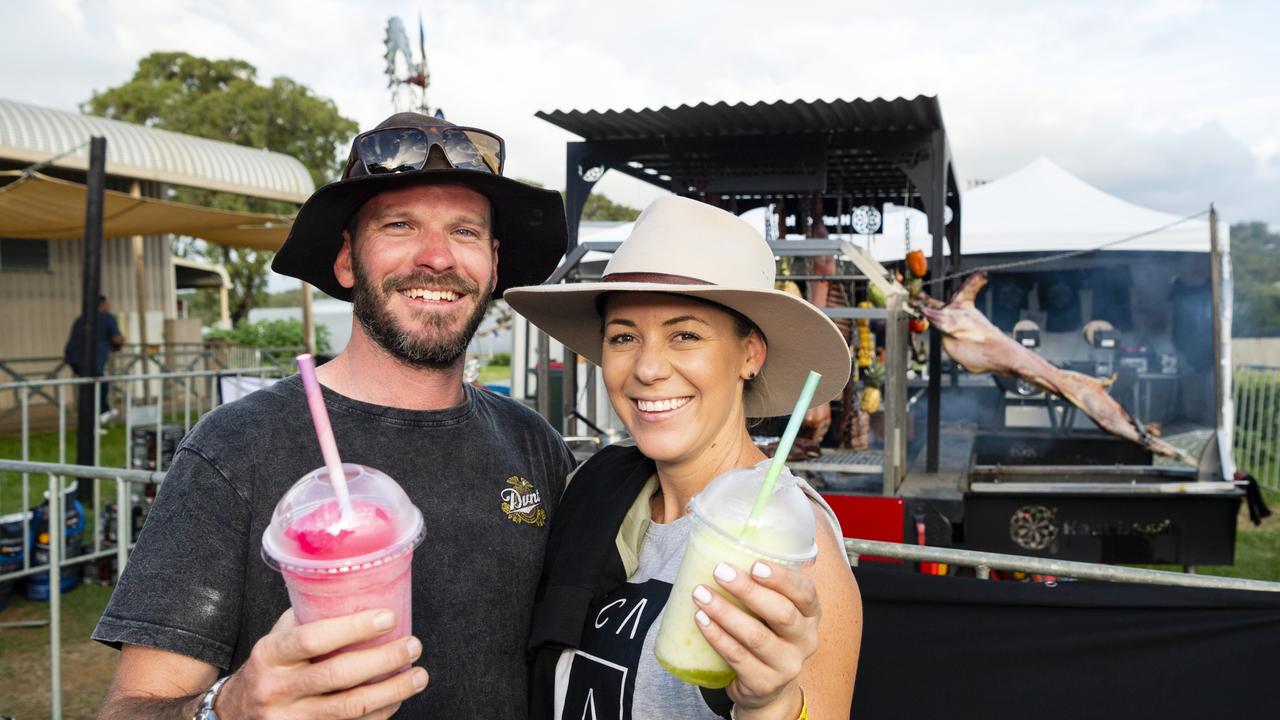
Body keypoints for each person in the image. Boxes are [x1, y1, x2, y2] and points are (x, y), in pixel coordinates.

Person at [93, 113, 575, 719]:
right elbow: (131, 708)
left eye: (465, 231)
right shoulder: (236, 448)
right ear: (347, 261)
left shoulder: (534, 446)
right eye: (400, 226)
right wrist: (230, 708)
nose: (437, 257)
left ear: (494, 263)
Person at [506, 197, 863, 720]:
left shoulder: (795, 545)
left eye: (686, 335)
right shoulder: (592, 490)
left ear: (749, 354)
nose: (648, 368)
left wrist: (773, 704)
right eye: (624, 336)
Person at [63, 294, 125, 422]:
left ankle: (92, 419)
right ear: (102, 305)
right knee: (99, 384)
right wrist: (122, 340)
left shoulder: (81, 318)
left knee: (89, 386)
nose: (109, 306)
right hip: (91, 358)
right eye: (107, 304)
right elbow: (117, 339)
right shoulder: (107, 317)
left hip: (73, 357)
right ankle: (101, 413)